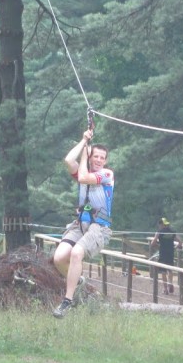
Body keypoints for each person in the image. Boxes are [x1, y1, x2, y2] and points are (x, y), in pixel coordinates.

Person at [51, 128, 114, 318]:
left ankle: (67, 301)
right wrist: (83, 141)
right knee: (59, 258)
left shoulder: (107, 175)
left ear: (105, 161)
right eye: (95, 156)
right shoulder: (82, 169)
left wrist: (85, 158)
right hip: (80, 224)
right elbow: (69, 161)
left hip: (98, 227)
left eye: (102, 158)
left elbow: (85, 178)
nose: (99, 160)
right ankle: (77, 282)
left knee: (77, 253)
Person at [149, 217, 182, 294]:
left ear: (161, 224)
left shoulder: (159, 232)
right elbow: (180, 242)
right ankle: (170, 283)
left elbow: (152, 244)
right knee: (170, 269)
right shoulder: (172, 232)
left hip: (163, 253)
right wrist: (174, 248)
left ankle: (165, 289)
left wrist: (158, 246)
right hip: (170, 253)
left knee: (163, 271)